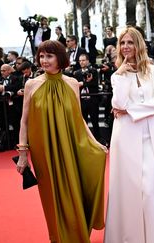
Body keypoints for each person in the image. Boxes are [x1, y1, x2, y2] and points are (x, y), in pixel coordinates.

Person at [15, 40, 107, 243]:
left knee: (75, 189)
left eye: (49, 56)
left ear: (60, 58)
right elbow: (24, 120)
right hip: (43, 150)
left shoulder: (72, 83)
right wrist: (23, 154)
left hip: (70, 145)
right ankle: (57, 237)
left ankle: (78, 234)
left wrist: (95, 142)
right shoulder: (32, 84)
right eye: (41, 56)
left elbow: (79, 118)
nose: (44, 60)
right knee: (51, 196)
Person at [104, 26, 154, 243]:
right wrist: (121, 75)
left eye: (130, 42)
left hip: (151, 132)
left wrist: (132, 110)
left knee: (151, 186)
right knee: (130, 186)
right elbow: (118, 103)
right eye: (122, 43)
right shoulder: (117, 74)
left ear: (139, 44)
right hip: (125, 134)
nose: (126, 47)